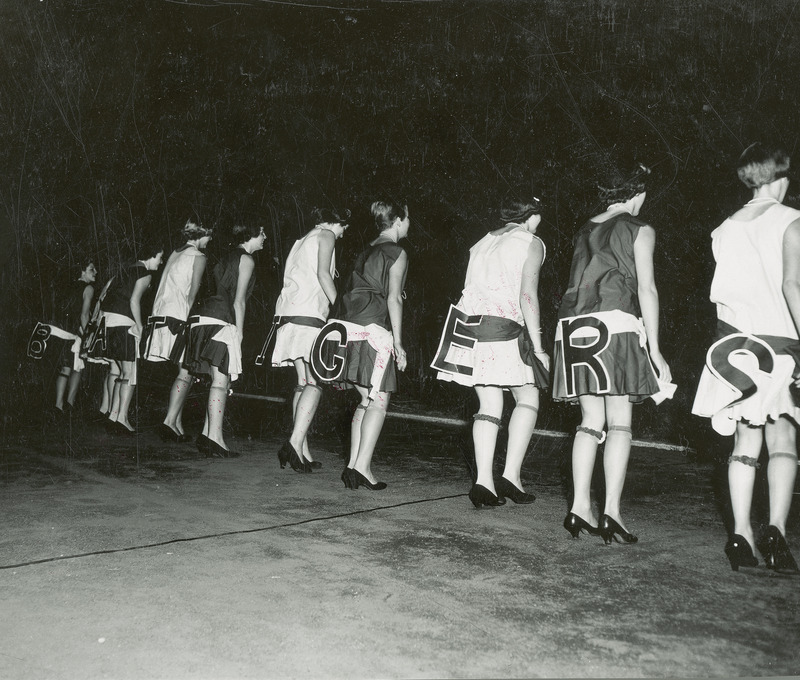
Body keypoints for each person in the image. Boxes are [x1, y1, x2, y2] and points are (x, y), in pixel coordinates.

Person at [692, 143, 800, 573]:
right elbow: (793, 286)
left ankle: (740, 534)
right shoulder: (791, 220)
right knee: (783, 442)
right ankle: (775, 529)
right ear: (779, 177)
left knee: (743, 444)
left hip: (733, 349)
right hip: (779, 345)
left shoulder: (724, 228)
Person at [553, 164, 671, 544]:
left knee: (590, 420)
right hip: (615, 325)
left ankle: (578, 507)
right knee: (620, 422)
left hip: (573, 328)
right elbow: (647, 290)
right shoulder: (639, 228)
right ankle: (612, 513)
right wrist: (655, 348)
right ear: (637, 195)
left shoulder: (584, 228)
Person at [433, 197, 550, 508]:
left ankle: (483, 482)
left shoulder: (481, 242)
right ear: (532, 216)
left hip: (472, 329)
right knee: (528, 397)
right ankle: (510, 475)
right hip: (505, 330)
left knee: (489, 402)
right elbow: (528, 295)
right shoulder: (531, 241)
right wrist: (538, 347)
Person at [310, 201, 409, 490]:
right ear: (399, 221)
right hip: (373, 330)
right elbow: (394, 299)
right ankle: (362, 467)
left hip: (344, 329)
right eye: (408, 218)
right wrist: (399, 344)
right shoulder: (397, 252)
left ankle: (353, 465)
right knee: (379, 400)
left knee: (366, 399)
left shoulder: (365, 249)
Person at [271, 208, 350, 472]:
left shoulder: (302, 239)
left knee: (302, 382)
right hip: (309, 315)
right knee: (315, 382)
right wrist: (340, 309)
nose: (342, 234)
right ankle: (294, 444)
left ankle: (301, 450)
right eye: (343, 228)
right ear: (336, 221)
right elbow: (323, 274)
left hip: (289, 314)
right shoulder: (326, 234)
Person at [184, 224, 265, 458]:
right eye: (261, 233)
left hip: (200, 319)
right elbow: (239, 301)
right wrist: (239, 333)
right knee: (221, 382)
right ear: (251, 235)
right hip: (220, 320)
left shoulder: (225, 256)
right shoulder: (246, 259)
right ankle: (216, 439)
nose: (265, 237)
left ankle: (207, 434)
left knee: (215, 382)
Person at [142, 219, 213, 443]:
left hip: (161, 315)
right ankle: (169, 421)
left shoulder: (175, 253)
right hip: (178, 318)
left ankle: (177, 425)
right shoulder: (199, 257)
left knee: (184, 372)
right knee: (187, 371)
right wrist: (188, 322)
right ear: (202, 235)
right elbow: (192, 293)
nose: (210, 241)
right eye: (209, 236)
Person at [100, 244, 165, 433]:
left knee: (121, 371)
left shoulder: (121, 271)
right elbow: (134, 300)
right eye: (160, 257)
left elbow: (103, 295)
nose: (161, 262)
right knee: (130, 373)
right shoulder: (144, 274)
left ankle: (113, 416)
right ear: (151, 255)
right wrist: (140, 326)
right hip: (124, 324)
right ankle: (122, 419)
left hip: (108, 323)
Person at [54, 259, 97, 414]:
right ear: (82, 271)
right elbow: (84, 315)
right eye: (92, 269)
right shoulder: (88, 288)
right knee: (78, 368)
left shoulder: (68, 286)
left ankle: (58, 406)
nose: (95, 272)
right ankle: (70, 404)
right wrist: (86, 336)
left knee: (65, 368)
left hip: (60, 331)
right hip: (75, 333)